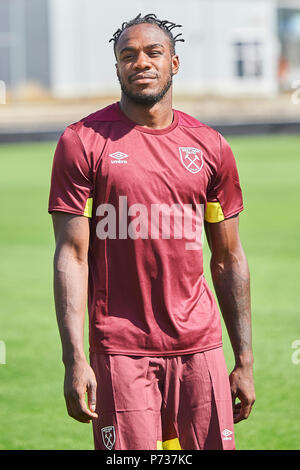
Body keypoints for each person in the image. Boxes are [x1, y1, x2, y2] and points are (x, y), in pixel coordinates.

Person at [48, 13, 255, 451]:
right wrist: (74, 359)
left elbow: (228, 258)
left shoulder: (211, 145)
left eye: (153, 52)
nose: (140, 62)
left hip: (200, 345)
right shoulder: (82, 141)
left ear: (174, 64)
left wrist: (245, 360)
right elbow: (72, 255)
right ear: (118, 68)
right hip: (120, 348)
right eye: (128, 55)